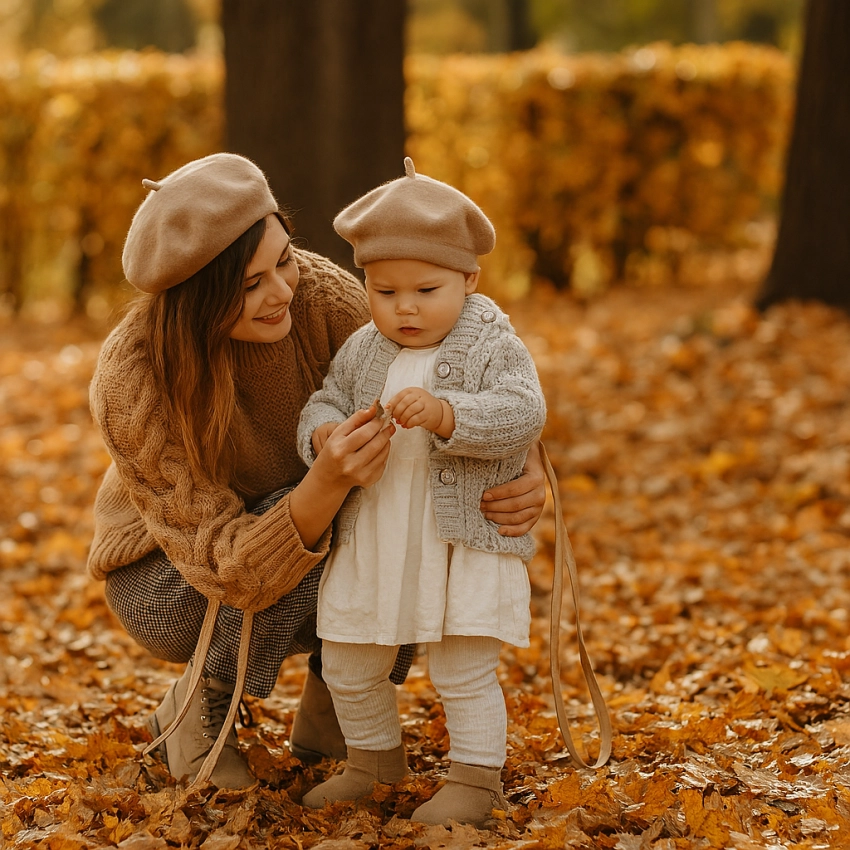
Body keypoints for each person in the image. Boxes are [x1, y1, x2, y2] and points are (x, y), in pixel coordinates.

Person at [87, 152, 547, 790]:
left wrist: (518, 469)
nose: (282, 290)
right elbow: (227, 565)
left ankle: (342, 704)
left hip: (321, 510)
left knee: (407, 525)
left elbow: (446, 366)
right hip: (174, 568)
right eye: (249, 285)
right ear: (196, 298)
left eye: (283, 258)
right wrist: (326, 482)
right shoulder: (134, 375)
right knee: (342, 521)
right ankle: (202, 701)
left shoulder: (323, 295)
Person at [297, 157, 547, 827]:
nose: (404, 308)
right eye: (384, 291)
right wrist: (323, 437)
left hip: (460, 536)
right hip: (376, 533)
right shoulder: (361, 348)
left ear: (470, 279)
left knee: (463, 667)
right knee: (349, 660)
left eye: (426, 290)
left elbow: (524, 412)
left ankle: (475, 777)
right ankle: (372, 762)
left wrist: (448, 415)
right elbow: (324, 399)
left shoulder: (493, 342)